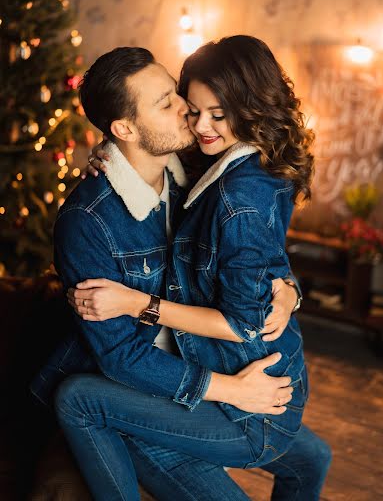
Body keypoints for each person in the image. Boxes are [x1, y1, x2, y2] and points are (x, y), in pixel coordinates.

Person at [31, 45, 324, 501]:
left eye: (176, 93)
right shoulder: (89, 222)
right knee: (79, 399)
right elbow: (121, 358)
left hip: (206, 358)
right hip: (154, 387)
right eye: (167, 102)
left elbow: (254, 247)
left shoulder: (194, 170)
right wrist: (230, 390)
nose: (187, 111)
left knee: (313, 459)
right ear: (126, 128)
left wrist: (287, 289)